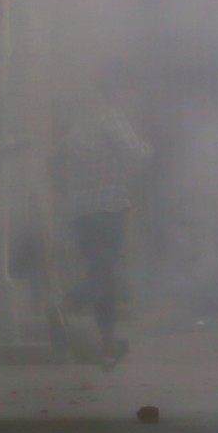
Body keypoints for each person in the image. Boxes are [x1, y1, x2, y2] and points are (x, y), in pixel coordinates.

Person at [56, 64, 152, 370]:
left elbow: (65, 157)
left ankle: (108, 348)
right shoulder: (112, 117)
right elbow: (137, 153)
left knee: (103, 276)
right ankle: (65, 304)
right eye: (129, 88)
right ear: (120, 88)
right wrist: (151, 147)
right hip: (108, 209)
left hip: (81, 211)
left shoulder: (83, 120)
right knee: (104, 273)